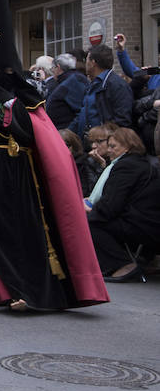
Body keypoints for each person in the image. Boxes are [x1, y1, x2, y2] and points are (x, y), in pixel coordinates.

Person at [0, 0, 108, 312]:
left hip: (23, 176)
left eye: (11, 70)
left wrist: (15, 111)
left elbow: (40, 140)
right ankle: (8, 289)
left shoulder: (31, 100)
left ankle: (30, 290)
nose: (6, 75)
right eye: (0, 70)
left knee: (29, 232)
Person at [87, 127, 160, 281]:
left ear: (128, 147)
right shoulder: (140, 164)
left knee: (89, 223)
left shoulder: (125, 166)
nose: (109, 150)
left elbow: (110, 205)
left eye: (113, 146)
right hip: (147, 223)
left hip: (141, 225)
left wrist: (89, 211)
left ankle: (123, 265)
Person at [68, 44, 134, 143]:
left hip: (104, 147)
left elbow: (122, 121)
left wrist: (106, 142)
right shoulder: (93, 84)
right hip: (89, 143)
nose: (85, 63)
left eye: (87, 60)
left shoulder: (117, 85)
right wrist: (68, 134)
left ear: (93, 62)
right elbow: (83, 113)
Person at [45, 53, 89, 129]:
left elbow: (81, 112)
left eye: (52, 68)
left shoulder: (74, 81)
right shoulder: (71, 79)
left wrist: (69, 132)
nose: (52, 72)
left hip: (66, 134)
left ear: (58, 67)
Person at [58, 129, 98, 198]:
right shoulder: (56, 164)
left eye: (66, 145)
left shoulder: (83, 163)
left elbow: (85, 190)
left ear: (74, 146)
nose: (62, 149)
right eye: (58, 146)